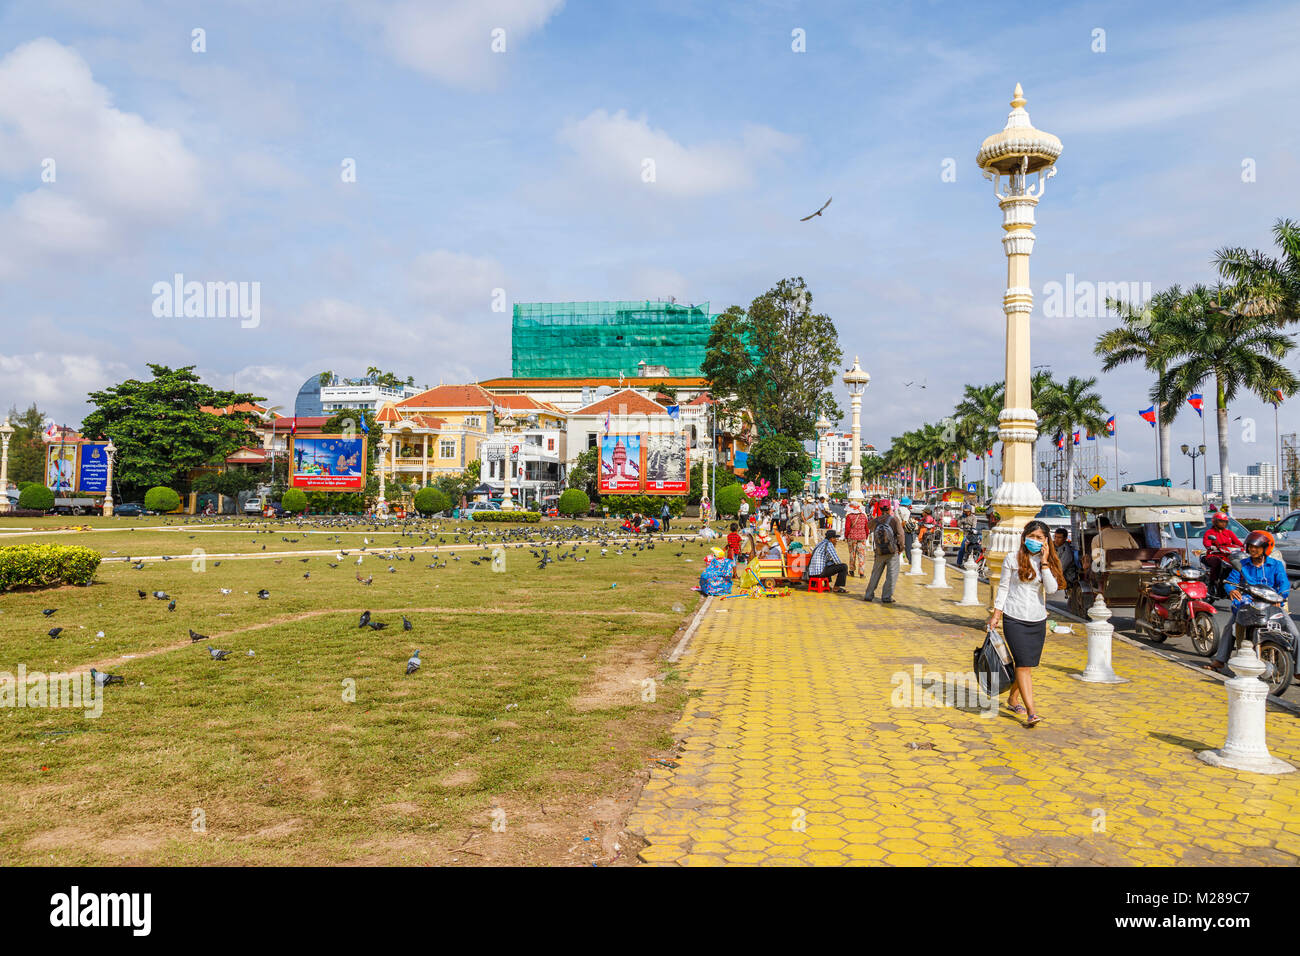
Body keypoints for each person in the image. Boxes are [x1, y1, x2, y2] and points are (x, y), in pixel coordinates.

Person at [987, 520, 1062, 728]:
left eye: (1040, 538)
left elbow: (1052, 589)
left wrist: (1045, 562)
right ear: (1024, 538)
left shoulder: (1047, 562)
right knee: (1023, 665)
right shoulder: (1012, 559)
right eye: (1032, 537)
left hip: (1037, 619)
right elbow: (1003, 589)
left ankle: (1012, 699)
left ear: (1046, 541)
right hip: (1014, 617)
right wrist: (996, 614)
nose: (1035, 541)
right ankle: (1031, 712)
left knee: (1027, 665)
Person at [1208, 530, 1299, 674]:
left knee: (1294, 634)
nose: (1252, 549)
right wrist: (1231, 589)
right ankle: (1220, 660)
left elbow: (1284, 584)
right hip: (1248, 603)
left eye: (1256, 547)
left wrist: (1281, 597)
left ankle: (1298, 671)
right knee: (1229, 628)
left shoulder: (1276, 565)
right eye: (1250, 547)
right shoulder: (1242, 564)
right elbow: (1230, 581)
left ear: (1265, 548)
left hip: (1272, 603)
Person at [864, 500, 905, 603]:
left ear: (880, 509)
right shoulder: (894, 520)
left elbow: (868, 525)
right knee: (892, 574)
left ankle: (869, 595)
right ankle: (886, 597)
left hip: (879, 551)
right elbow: (900, 535)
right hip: (892, 551)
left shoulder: (876, 520)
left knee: (875, 574)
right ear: (890, 508)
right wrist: (901, 548)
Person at [1202, 511, 1243, 596]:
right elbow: (1206, 542)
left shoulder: (1229, 532)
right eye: (1221, 521)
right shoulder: (1210, 532)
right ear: (1215, 522)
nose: (1223, 523)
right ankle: (1212, 582)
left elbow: (1238, 543)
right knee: (1217, 563)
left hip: (1228, 556)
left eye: (1225, 522)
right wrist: (1211, 547)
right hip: (1214, 555)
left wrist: (1245, 547)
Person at [844, 499, 871, 577]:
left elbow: (847, 528)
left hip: (852, 537)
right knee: (862, 555)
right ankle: (861, 572)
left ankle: (852, 570)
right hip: (862, 537)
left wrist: (846, 536)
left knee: (852, 554)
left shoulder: (849, 516)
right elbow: (867, 528)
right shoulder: (863, 516)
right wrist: (865, 536)